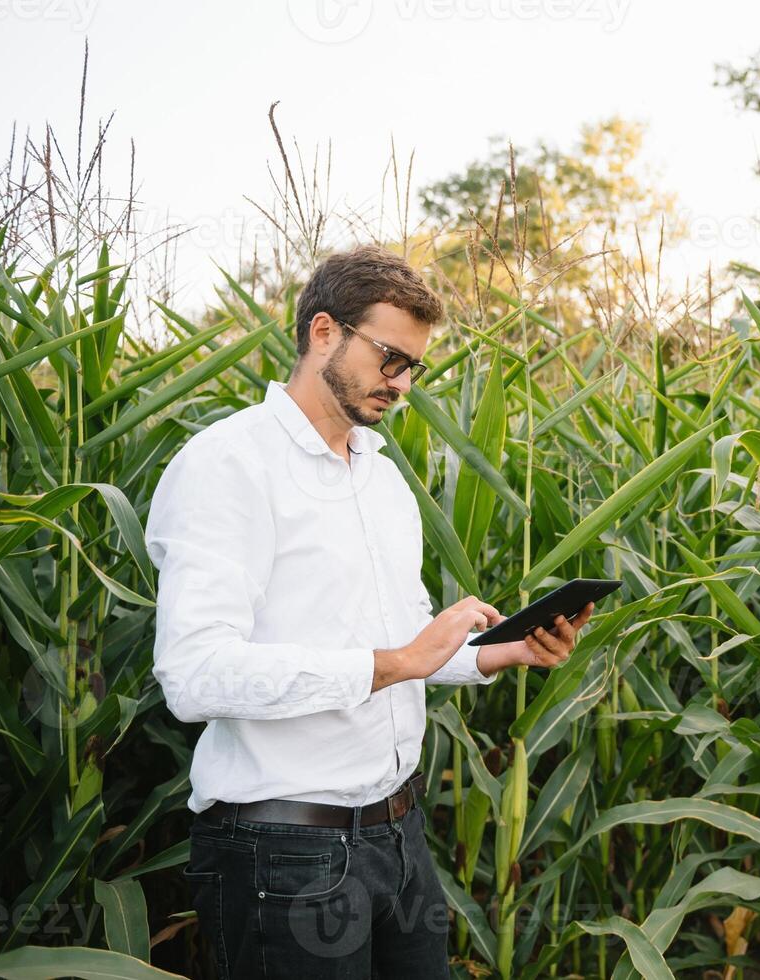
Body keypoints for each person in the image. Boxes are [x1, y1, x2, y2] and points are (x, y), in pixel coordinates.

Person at [143, 244, 593, 978]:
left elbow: (402, 645)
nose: (402, 383)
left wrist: (496, 653)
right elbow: (195, 676)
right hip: (283, 855)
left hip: (397, 836)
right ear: (324, 333)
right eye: (390, 358)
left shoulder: (381, 479)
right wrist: (397, 663)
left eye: (413, 366)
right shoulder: (228, 466)